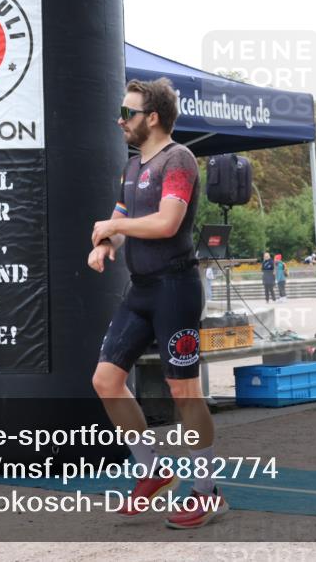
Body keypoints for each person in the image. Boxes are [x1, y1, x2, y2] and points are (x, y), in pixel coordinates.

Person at [88, 77, 226, 529]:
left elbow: (167, 223)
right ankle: (152, 470)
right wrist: (104, 244)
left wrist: (111, 228)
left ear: (152, 117)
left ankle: (207, 492)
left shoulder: (178, 159)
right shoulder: (131, 168)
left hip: (175, 288)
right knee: (106, 381)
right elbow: (122, 218)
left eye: (127, 113)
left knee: (183, 391)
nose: (120, 120)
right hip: (141, 290)